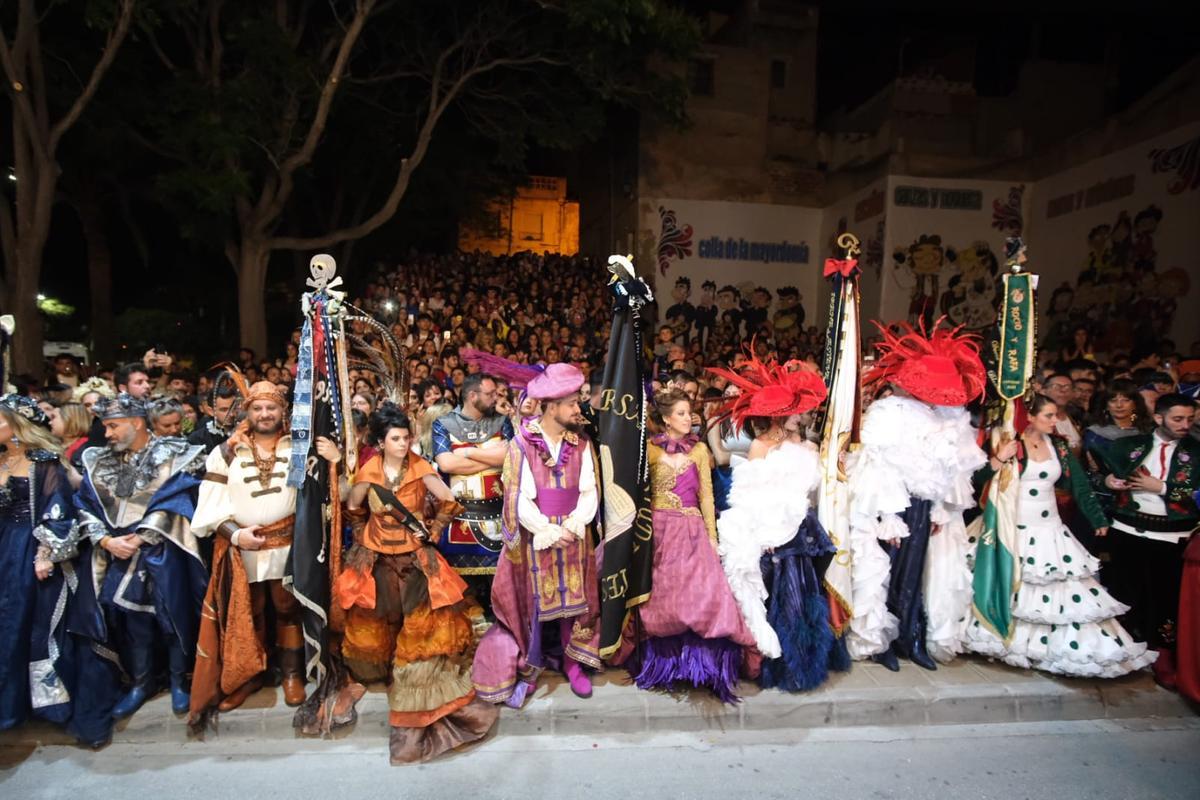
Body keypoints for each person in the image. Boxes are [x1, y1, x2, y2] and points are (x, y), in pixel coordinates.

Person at [334, 404, 497, 763]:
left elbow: (449, 501)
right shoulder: (369, 471)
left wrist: (434, 530)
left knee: (422, 634)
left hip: (414, 558)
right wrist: (362, 534)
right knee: (374, 626)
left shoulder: (421, 467)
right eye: (396, 438)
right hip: (377, 560)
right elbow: (354, 507)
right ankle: (376, 673)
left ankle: (415, 694)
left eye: (407, 437)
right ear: (380, 441)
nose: (404, 443)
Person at [966, 395, 1154, 676]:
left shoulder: (1060, 447)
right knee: (1009, 583)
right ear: (1029, 417)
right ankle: (1003, 638)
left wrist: (1096, 517)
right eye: (1050, 416)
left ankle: (1049, 647)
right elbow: (976, 479)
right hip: (1010, 526)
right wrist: (998, 459)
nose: (1056, 422)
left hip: (1049, 529)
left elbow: (1078, 484)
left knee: (1055, 588)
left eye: (1056, 416)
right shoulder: (1004, 441)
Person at [845, 320, 988, 670]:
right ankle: (882, 640)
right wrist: (888, 516)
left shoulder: (945, 417)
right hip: (890, 506)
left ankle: (911, 635)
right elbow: (876, 466)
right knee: (885, 573)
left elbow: (947, 469)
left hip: (925, 506)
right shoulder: (887, 413)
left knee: (917, 573)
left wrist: (940, 507)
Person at [609, 389, 755, 702]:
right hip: (660, 532)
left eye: (690, 413)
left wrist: (712, 538)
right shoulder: (649, 450)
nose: (689, 418)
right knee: (663, 599)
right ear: (665, 419)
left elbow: (706, 495)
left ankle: (702, 666)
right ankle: (666, 666)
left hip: (692, 531)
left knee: (703, 597)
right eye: (681, 413)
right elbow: (638, 492)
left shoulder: (700, 450)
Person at [472, 363, 601, 707]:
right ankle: (532, 665)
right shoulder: (521, 444)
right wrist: (544, 529)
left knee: (575, 601)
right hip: (537, 534)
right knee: (536, 602)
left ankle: (573, 663)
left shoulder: (583, 443)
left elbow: (590, 490)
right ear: (552, 406)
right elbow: (516, 495)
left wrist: (574, 524)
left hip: (574, 531)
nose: (578, 408)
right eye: (572, 403)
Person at [74, 393, 208, 720]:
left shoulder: (175, 455)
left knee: (172, 615)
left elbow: (181, 500)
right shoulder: (98, 460)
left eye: (113, 426)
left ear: (136, 423)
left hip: (163, 548)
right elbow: (82, 504)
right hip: (116, 553)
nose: (108, 434)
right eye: (106, 427)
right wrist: (105, 540)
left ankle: (179, 680)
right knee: (133, 622)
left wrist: (145, 534)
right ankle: (141, 682)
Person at [710, 356, 834, 690]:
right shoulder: (761, 446)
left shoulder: (801, 444)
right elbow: (750, 496)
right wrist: (763, 535)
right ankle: (775, 665)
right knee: (782, 598)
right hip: (773, 533)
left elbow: (809, 488)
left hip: (801, 529)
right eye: (795, 412)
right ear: (780, 414)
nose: (801, 416)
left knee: (805, 597)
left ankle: (803, 663)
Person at [189, 381, 308, 723]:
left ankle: (291, 675)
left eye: (271, 407)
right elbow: (210, 507)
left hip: (287, 543)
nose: (265, 414)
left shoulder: (298, 447)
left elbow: (317, 495)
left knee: (287, 607)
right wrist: (237, 535)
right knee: (249, 609)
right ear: (248, 412)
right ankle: (250, 675)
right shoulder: (225, 452)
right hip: (243, 545)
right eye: (258, 408)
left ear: (282, 411)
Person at [0, 396, 89, 738]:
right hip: (4, 544)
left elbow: (58, 510)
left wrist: (44, 553)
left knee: (25, 622)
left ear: (19, 427)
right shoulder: (2, 459)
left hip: (26, 548)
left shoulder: (45, 463)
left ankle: (36, 704)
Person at [1101, 393, 1200, 688]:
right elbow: (1099, 477)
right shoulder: (1130, 445)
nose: (1185, 425)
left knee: (1166, 597)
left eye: (1190, 419)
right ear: (1159, 418)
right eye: (1177, 419)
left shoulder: (1197, 451)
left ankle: (1163, 654)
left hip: (1172, 535)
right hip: (1128, 529)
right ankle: (1123, 648)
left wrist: (1164, 487)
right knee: (1125, 592)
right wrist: (1108, 482)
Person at [431, 372, 514, 598]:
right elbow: (446, 464)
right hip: (460, 518)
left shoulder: (502, 421)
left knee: (502, 591)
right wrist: (489, 456)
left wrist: (467, 453)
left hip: (499, 516)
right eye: (489, 395)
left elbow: (509, 457)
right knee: (463, 593)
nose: (495, 399)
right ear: (471, 395)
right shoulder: (443, 424)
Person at [188, 381, 241, 455]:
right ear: (211, 411)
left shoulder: (247, 432)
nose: (231, 414)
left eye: (234, 408)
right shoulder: (198, 438)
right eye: (224, 410)